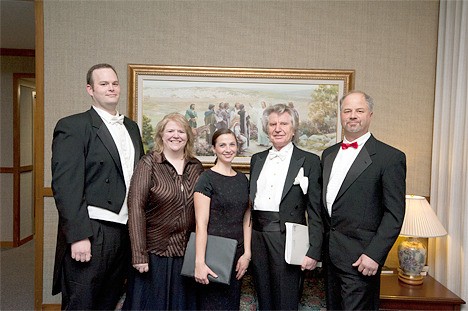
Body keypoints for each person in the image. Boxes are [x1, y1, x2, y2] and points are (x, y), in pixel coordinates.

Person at [51, 63, 144, 310]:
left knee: (108, 301)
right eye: (103, 84)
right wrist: (78, 235)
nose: (111, 88)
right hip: (92, 230)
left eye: (114, 83)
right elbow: (66, 186)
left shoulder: (131, 128)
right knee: (81, 302)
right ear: (90, 89)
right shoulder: (73, 126)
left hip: (123, 231)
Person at [321, 90, 406, 310]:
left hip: (362, 259)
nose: (352, 115)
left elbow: (394, 214)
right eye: (347, 110)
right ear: (340, 115)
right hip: (330, 257)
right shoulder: (328, 154)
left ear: (370, 115)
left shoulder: (390, 157)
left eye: (359, 110)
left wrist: (374, 255)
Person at [123, 112, 204, 310]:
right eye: (170, 131)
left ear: (188, 136)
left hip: (185, 254)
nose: (176, 135)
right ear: (161, 135)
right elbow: (136, 208)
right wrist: (139, 255)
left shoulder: (196, 166)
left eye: (181, 131)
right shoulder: (149, 163)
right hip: (153, 254)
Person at [249, 103, 323, 310]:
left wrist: (314, 251)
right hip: (258, 237)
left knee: (286, 299)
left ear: (293, 129)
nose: (277, 128)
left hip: (288, 238)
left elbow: (315, 211)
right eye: (272, 124)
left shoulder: (309, 160)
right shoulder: (257, 159)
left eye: (283, 123)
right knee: (262, 297)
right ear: (266, 129)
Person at [193, 128, 251, 310]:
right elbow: (200, 224)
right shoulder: (206, 179)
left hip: (237, 256)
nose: (228, 149)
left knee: (231, 305)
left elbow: (247, 218)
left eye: (232, 144)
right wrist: (199, 262)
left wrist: (247, 254)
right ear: (214, 149)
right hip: (213, 255)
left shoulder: (243, 180)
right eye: (222, 145)